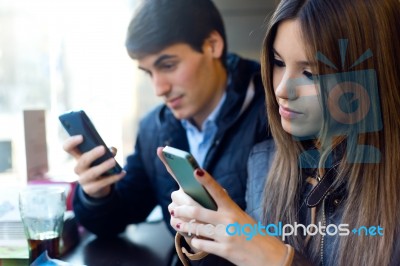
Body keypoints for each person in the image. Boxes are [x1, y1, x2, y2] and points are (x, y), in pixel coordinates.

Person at [164, 0, 400, 265]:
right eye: (278, 62)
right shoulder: (264, 161)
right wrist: (212, 239)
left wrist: (276, 257)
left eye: (310, 73)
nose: (282, 90)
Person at [63, 0, 270, 242]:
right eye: (149, 73)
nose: (159, 88)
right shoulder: (154, 128)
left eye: (168, 65)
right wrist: (96, 194)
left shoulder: (275, 115)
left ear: (212, 45)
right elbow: (121, 213)